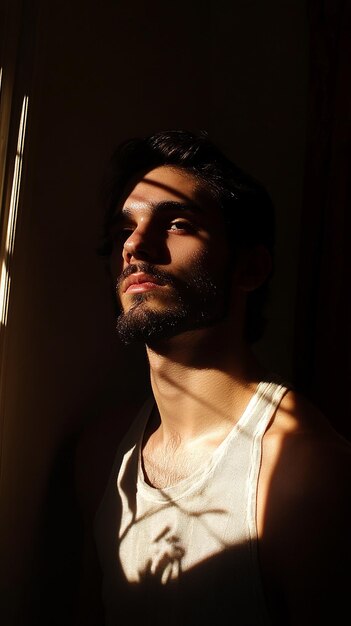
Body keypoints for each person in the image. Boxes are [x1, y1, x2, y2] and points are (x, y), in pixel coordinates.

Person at [74, 130, 351, 626]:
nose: (135, 245)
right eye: (123, 230)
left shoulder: (303, 475)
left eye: (177, 223)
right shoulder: (101, 455)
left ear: (250, 268)